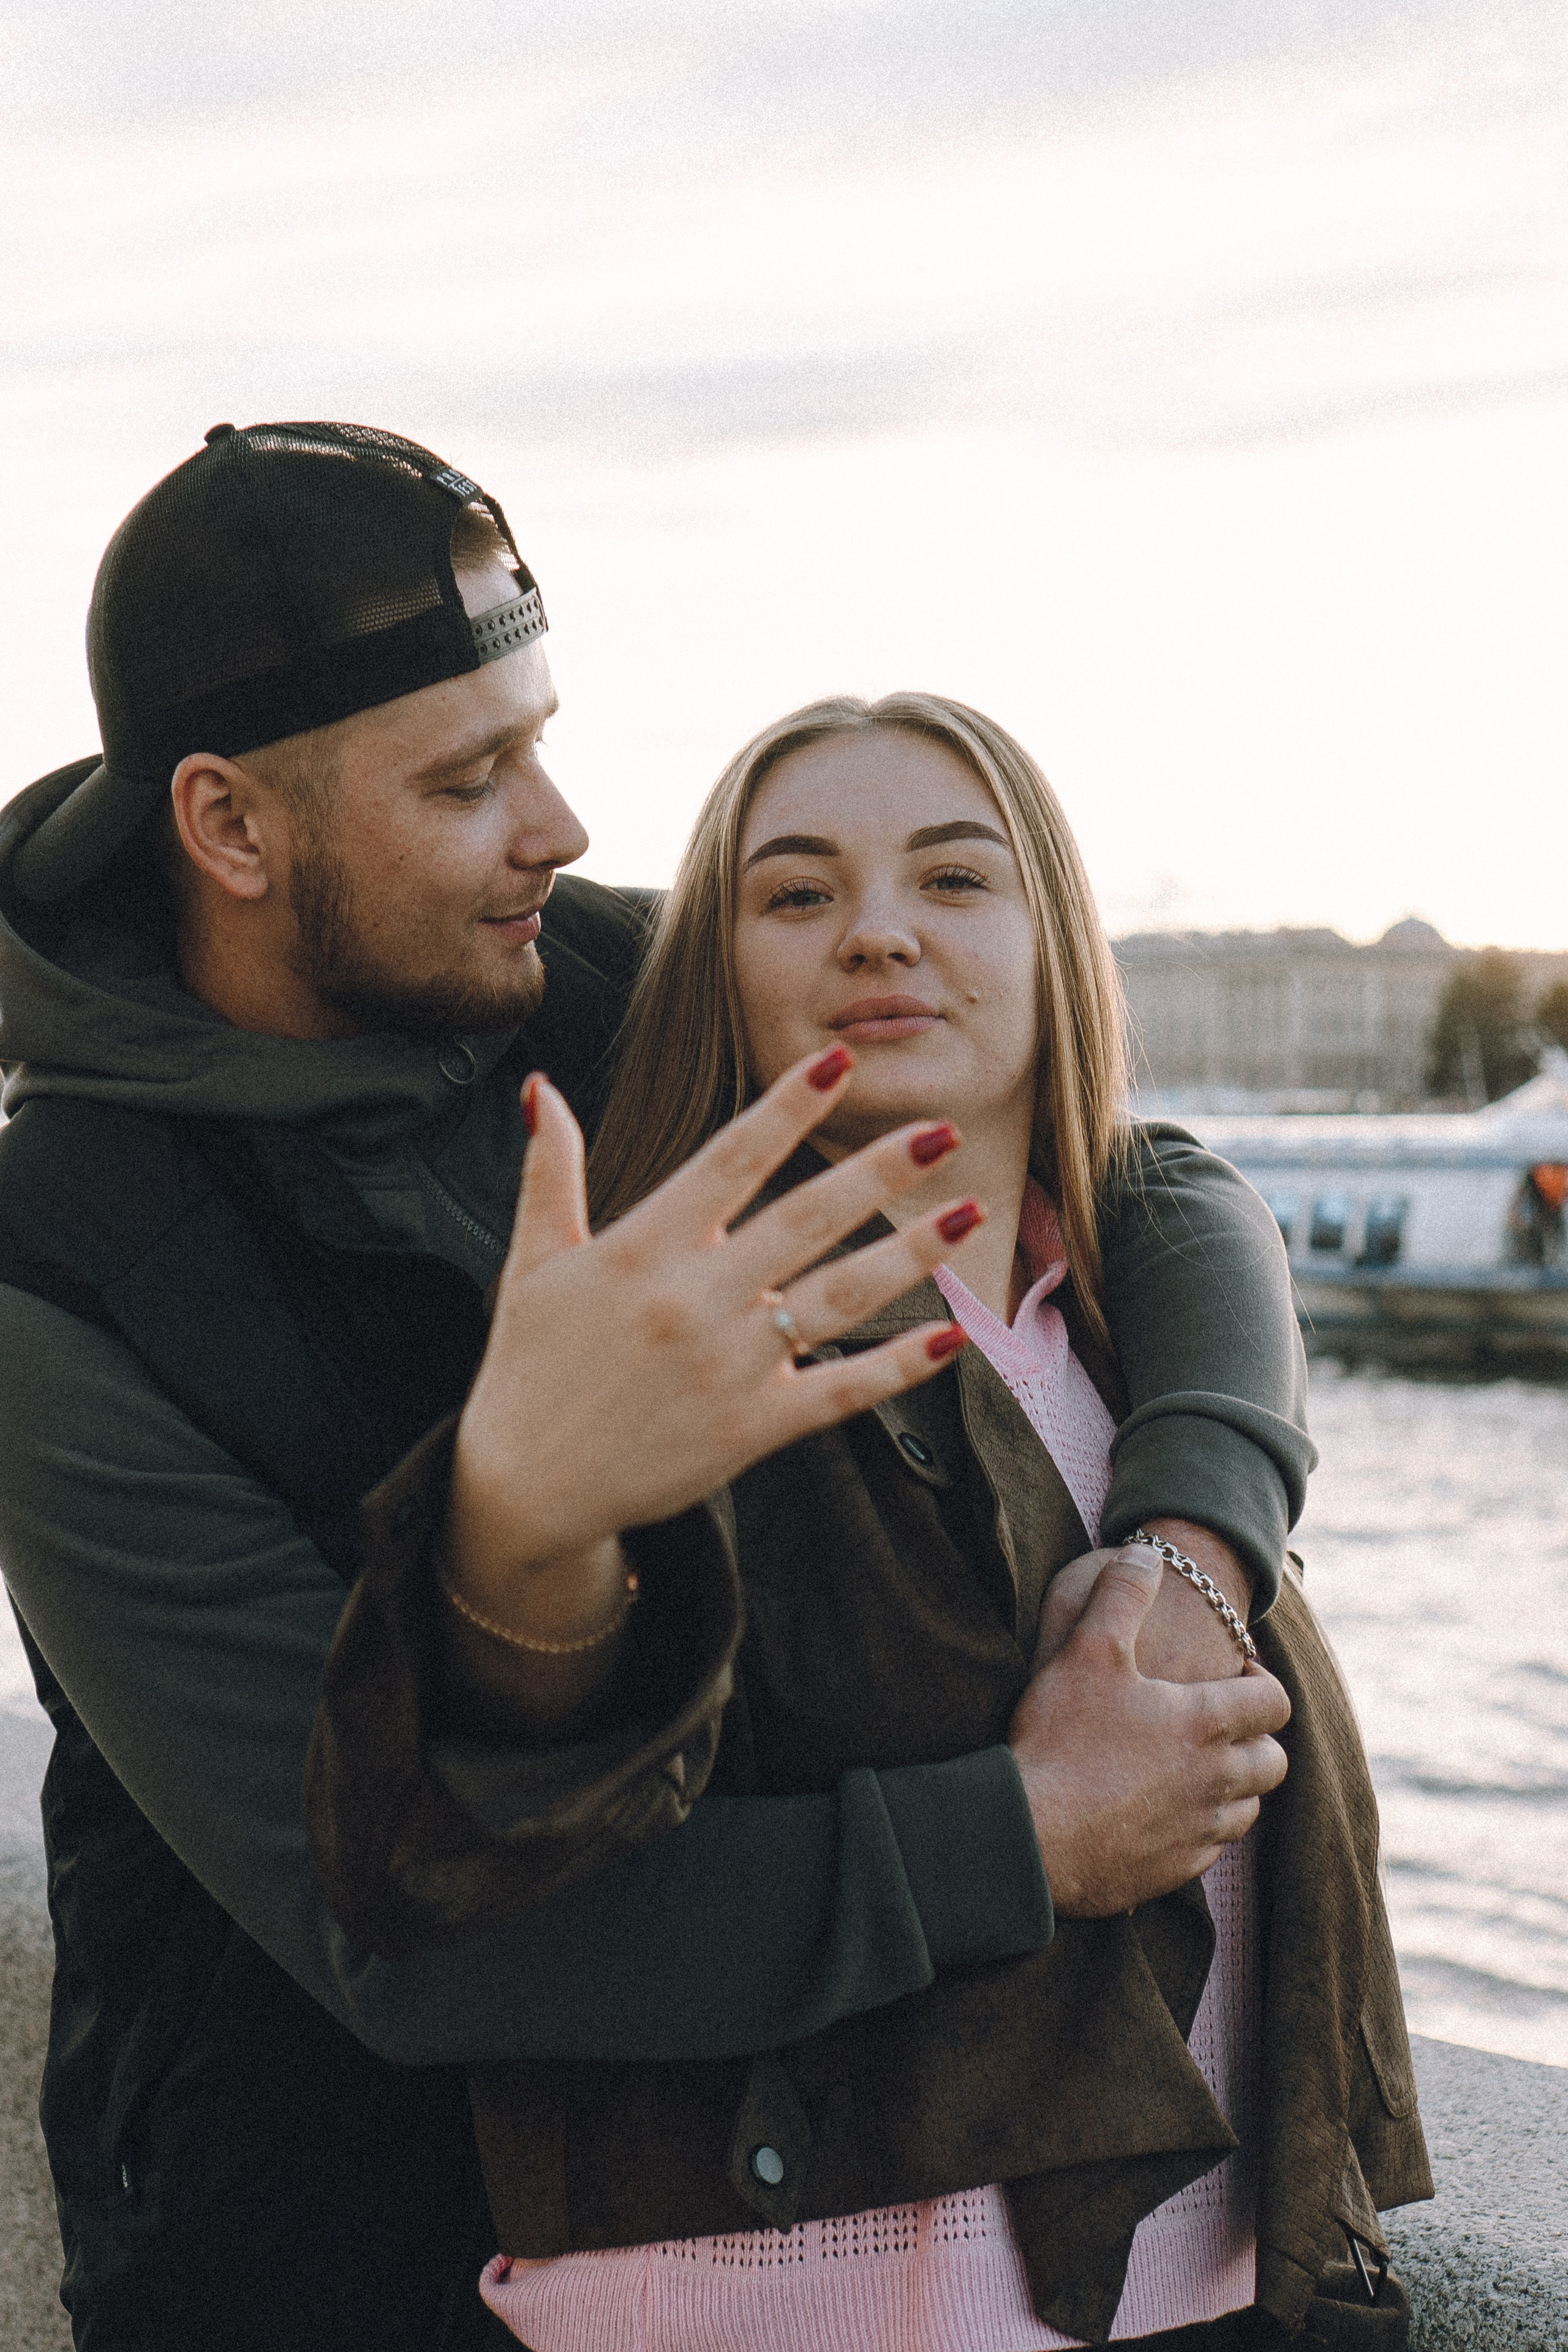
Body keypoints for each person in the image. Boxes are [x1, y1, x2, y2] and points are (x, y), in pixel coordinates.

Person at [0, 421, 1302, 2352]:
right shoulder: (56, 1279)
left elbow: (1146, 1179)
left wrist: (1187, 1538)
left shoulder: (592, 980)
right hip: (324, 2250)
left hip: (755, 2185)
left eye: (538, 736)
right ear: (233, 829)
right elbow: (403, 1941)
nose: (566, 826)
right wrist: (1024, 1834)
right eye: (472, 778)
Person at [309, 693, 1431, 2350]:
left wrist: (1186, 1557)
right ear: (721, 974)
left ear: (1057, 945)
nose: (882, 930)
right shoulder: (663, 1339)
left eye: (957, 880)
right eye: (799, 892)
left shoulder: (1119, 1339)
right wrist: (526, 1526)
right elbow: (513, 1805)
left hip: (1201, 2292)